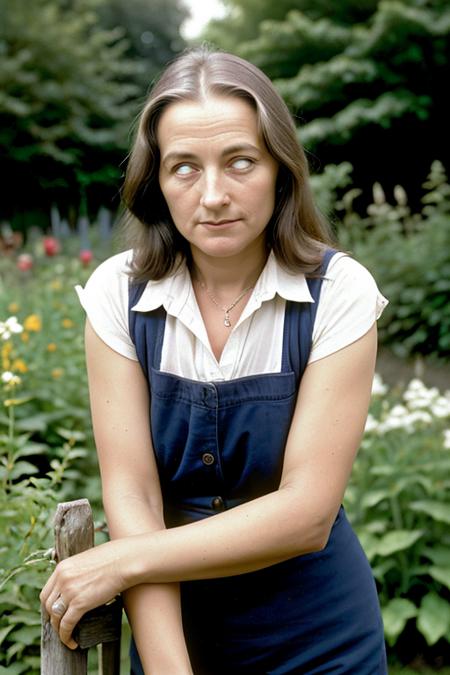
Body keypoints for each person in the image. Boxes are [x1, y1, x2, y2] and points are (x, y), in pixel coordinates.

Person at [41, 46, 389, 674]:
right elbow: (135, 496)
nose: (214, 195)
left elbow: (306, 514)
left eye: (240, 162)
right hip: (175, 628)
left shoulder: (338, 293)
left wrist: (120, 560)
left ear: (280, 169)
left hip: (321, 639)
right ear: (156, 181)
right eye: (184, 168)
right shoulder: (119, 295)